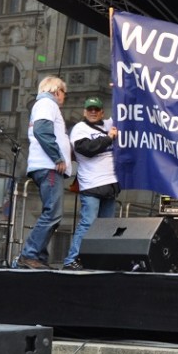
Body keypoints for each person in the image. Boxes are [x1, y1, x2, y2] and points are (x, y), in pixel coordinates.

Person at [18, 76, 72, 269]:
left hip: (47, 165)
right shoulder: (47, 104)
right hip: (49, 166)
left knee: (51, 213)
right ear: (57, 90)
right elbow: (42, 130)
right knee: (53, 213)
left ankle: (38, 256)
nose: (64, 97)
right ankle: (30, 254)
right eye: (64, 93)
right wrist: (57, 157)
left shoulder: (45, 105)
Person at [63, 97, 119, 271]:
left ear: (102, 112)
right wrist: (109, 139)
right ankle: (72, 259)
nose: (93, 112)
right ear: (84, 112)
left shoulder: (109, 124)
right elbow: (85, 149)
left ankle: (99, 261)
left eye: (96, 109)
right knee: (88, 223)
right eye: (90, 109)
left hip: (111, 184)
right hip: (92, 184)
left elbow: (125, 111)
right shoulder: (80, 129)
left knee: (106, 226)